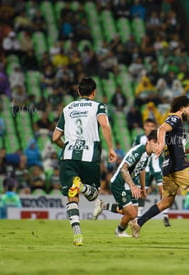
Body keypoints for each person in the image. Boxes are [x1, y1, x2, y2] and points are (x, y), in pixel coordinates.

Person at [130, 96, 189, 238]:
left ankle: (138, 223)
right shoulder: (176, 118)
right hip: (179, 166)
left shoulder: (173, 122)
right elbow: (161, 130)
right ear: (182, 108)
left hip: (168, 167)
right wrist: (160, 144)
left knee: (165, 202)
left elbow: (174, 145)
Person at [52, 77, 117, 246]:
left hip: (69, 156)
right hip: (89, 155)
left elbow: (55, 137)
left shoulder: (67, 108)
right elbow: (105, 125)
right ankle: (80, 186)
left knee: (71, 197)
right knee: (94, 194)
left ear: (78, 91)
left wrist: (66, 145)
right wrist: (111, 147)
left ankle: (77, 235)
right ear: (94, 92)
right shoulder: (99, 106)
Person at [93, 130, 158, 237]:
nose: (157, 145)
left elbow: (142, 170)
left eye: (159, 143)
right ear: (148, 141)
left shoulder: (148, 154)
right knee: (132, 214)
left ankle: (119, 230)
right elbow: (123, 170)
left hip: (130, 183)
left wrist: (142, 188)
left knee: (134, 213)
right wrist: (133, 187)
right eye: (155, 142)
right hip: (119, 183)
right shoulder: (138, 151)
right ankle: (105, 209)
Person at [130, 118, 170, 226]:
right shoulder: (139, 138)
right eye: (148, 125)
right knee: (143, 192)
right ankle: (138, 215)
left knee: (162, 190)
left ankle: (165, 215)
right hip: (145, 168)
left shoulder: (159, 137)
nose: (150, 128)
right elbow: (133, 151)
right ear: (144, 126)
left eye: (152, 126)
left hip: (158, 167)